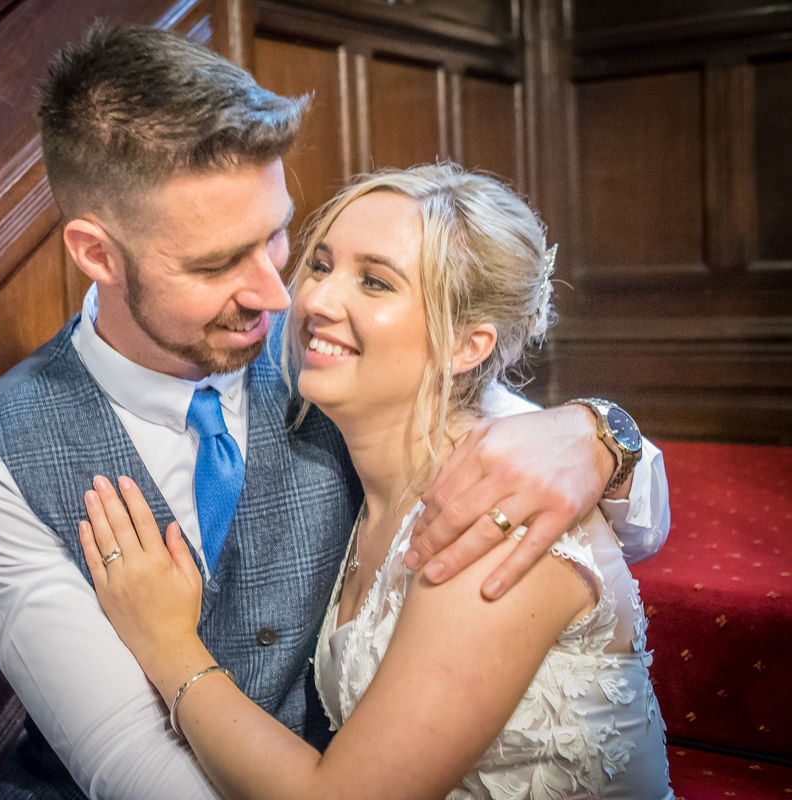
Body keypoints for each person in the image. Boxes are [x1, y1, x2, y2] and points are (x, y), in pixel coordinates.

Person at [0, 25, 670, 799]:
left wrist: (599, 435)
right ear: (98, 255)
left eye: (280, 234)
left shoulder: (334, 357)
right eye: (218, 262)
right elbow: (126, 758)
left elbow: (577, 486)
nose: (285, 296)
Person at [80, 163, 674, 799]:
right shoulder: (374, 484)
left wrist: (168, 644)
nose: (316, 301)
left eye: (374, 282)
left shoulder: (489, 522)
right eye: (321, 265)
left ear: (466, 346)